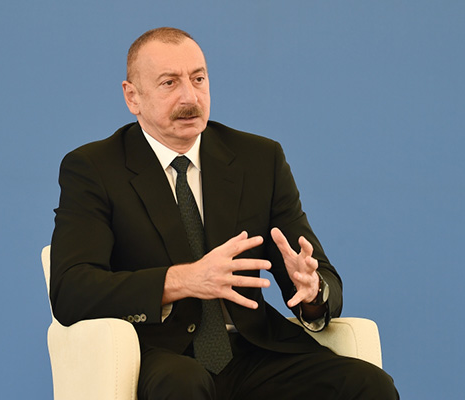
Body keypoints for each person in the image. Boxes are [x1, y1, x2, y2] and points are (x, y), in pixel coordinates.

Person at [50, 27, 398, 399]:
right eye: (169, 83)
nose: (190, 97)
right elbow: (72, 290)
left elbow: (317, 275)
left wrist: (312, 292)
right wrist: (183, 280)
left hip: (254, 349)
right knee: (183, 383)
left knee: (369, 385)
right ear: (132, 96)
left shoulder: (258, 159)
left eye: (198, 79)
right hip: (160, 350)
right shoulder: (94, 168)